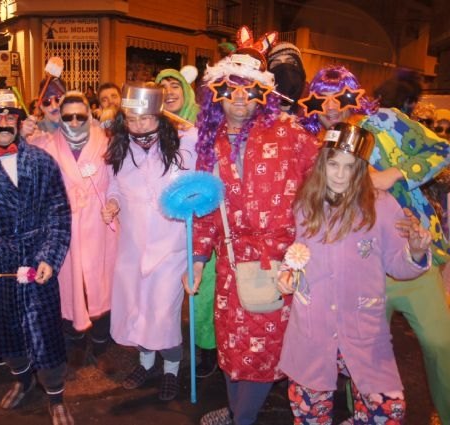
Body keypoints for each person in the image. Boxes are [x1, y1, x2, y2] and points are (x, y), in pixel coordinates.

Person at [300, 65, 450, 424]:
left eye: (340, 97)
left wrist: (394, 174)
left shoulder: (385, 122)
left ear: (355, 96)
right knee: (359, 357)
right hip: (354, 271)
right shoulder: (309, 144)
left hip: (409, 253)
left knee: (440, 342)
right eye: (322, 99)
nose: (332, 107)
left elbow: (442, 148)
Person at [186, 26, 319, 425]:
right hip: (231, 259)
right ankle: (235, 411)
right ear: (217, 94)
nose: (240, 98)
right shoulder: (211, 143)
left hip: (281, 260)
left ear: (263, 92)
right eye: (230, 90)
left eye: (249, 90)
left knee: (265, 348)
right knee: (231, 345)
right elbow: (206, 208)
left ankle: (242, 418)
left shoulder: (290, 133)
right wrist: (197, 259)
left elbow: (323, 183)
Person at [278, 123, 432, 423]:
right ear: (322, 164)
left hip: (363, 328)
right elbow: (294, 253)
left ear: (360, 169)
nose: (340, 174)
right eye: (333, 164)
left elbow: (397, 266)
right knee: (310, 413)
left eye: (349, 167)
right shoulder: (304, 204)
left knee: (386, 411)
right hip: (313, 327)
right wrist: (287, 273)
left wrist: (414, 252)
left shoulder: (381, 205)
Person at [0, 89, 74, 424]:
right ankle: (22, 380)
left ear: (20, 122)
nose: (4, 123)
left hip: (36, 262)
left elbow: (59, 213)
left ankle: (55, 395)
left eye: (10, 117)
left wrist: (50, 257)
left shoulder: (42, 161)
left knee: (46, 334)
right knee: (5, 335)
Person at [102, 83, 197, 401]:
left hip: (171, 249)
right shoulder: (119, 150)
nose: (139, 126)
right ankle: (145, 363)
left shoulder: (183, 146)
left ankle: (171, 369)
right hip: (132, 248)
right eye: (132, 119)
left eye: (146, 118)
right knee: (137, 308)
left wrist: (185, 125)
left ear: (159, 116)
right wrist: (112, 203)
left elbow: (201, 143)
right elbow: (115, 187)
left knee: (163, 313)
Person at [32, 91, 117, 374]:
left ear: (89, 114)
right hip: (63, 224)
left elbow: (118, 181)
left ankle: (102, 342)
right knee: (69, 283)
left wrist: (114, 203)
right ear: (60, 117)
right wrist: (25, 129)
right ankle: (76, 341)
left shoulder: (108, 143)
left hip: (100, 223)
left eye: (81, 115)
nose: (75, 122)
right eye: (68, 117)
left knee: (102, 281)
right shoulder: (45, 144)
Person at [155, 66, 218, 378]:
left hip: (200, 217)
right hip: (165, 220)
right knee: (164, 288)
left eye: (174, 84)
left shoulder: (205, 124)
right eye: (162, 86)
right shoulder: (154, 127)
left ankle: (207, 349)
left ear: (186, 89)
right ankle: (163, 347)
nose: (168, 91)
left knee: (202, 289)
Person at [266, 41, 307, 114]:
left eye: (291, 63)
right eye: (277, 65)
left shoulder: (315, 104)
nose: (285, 68)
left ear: (301, 68)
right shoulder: (260, 104)